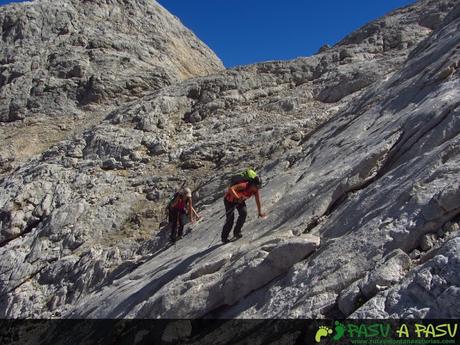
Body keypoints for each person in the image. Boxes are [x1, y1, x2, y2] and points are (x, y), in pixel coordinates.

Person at [221, 176, 267, 243]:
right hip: (229, 201)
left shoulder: (255, 190)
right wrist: (237, 197)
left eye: (258, 187)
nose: (257, 188)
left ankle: (237, 232)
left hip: (239, 201)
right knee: (230, 219)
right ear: (252, 184)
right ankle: (224, 238)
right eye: (257, 186)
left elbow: (258, 200)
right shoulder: (244, 185)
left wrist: (259, 212)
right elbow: (231, 189)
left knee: (243, 213)